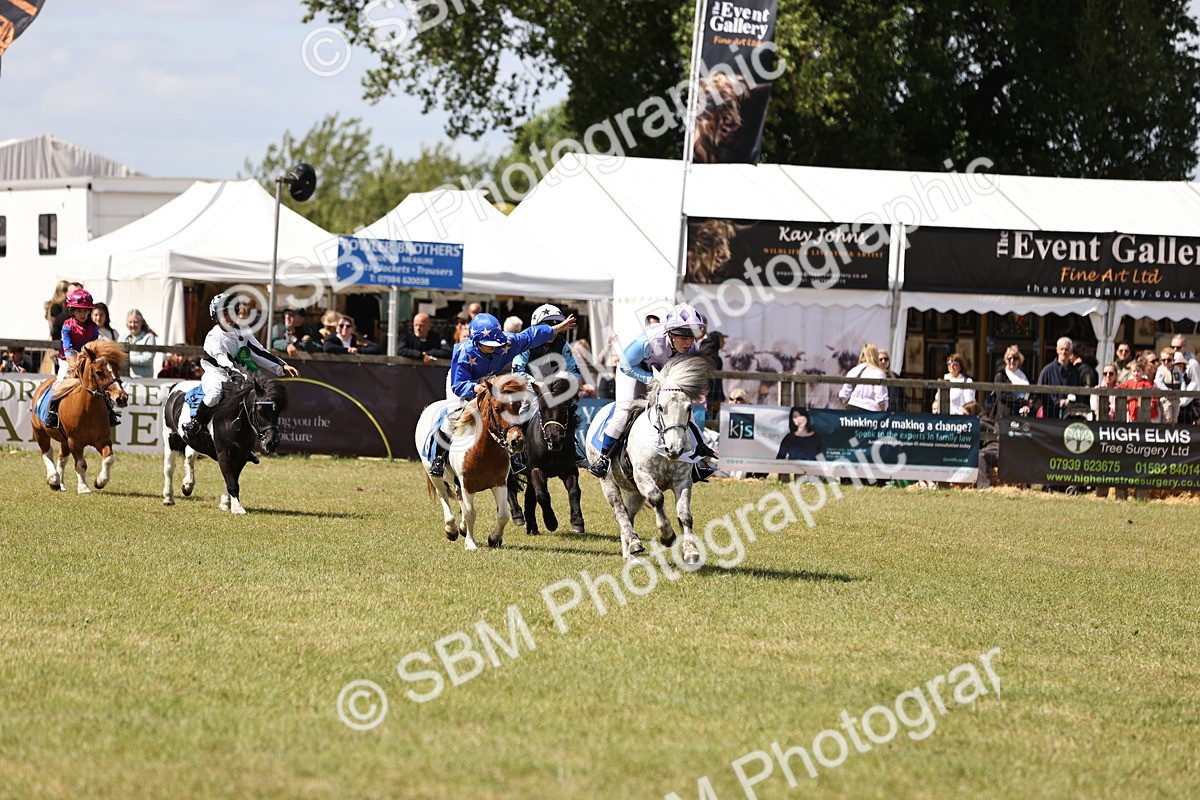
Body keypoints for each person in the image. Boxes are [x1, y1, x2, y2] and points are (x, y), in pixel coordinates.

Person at [427, 311, 577, 477]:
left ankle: (513, 458)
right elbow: (458, 384)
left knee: (505, 413)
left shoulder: (506, 341)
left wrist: (554, 329)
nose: (494, 346)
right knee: (454, 416)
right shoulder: (463, 352)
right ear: (476, 341)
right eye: (488, 343)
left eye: (496, 341)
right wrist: (475, 388)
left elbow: (530, 336)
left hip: (488, 379)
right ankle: (439, 459)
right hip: (463, 381)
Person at [588, 302, 716, 480]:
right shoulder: (649, 341)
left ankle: (697, 459)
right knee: (624, 410)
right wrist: (651, 379)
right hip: (633, 372)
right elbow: (625, 365)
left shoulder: (691, 349)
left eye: (692, 336)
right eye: (684, 337)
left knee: (684, 410)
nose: (689, 342)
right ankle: (603, 459)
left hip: (663, 379)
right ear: (670, 334)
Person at [183, 294, 300, 440]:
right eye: (225, 313)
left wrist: (281, 366)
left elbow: (259, 352)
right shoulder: (214, 336)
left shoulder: (243, 331)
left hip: (239, 374)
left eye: (233, 311)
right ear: (216, 315)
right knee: (214, 394)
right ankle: (195, 423)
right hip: (217, 373)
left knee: (254, 399)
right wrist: (237, 375)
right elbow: (223, 361)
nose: (230, 316)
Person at [512, 304, 591, 463]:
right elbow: (517, 370)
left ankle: (571, 448)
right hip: (529, 388)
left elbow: (574, 371)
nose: (554, 328)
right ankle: (517, 453)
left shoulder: (562, 344)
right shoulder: (527, 342)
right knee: (526, 409)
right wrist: (537, 384)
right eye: (549, 324)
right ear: (537, 327)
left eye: (556, 324)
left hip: (554, 390)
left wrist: (564, 380)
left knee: (567, 410)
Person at [45, 288, 116, 428]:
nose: (83, 314)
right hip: (67, 360)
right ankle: (51, 413)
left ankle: (109, 413)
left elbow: (93, 346)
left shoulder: (93, 327)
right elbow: (68, 348)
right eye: (79, 311)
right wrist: (75, 364)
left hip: (87, 360)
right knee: (60, 382)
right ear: (72, 311)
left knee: (102, 383)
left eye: (85, 310)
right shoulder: (66, 326)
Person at [1036, 337, 1080, 419]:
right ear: (1057, 350)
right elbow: (1039, 393)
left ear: (1071, 351)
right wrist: (1057, 402)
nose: (1064, 352)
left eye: (1067, 349)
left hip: (1071, 416)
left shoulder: (1075, 371)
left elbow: (1080, 391)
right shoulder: (1047, 371)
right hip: (1051, 416)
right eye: (1061, 349)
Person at [839, 343, 889, 412]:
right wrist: (883, 413)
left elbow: (844, 395)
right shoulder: (878, 373)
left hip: (852, 409)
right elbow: (881, 399)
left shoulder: (853, 371)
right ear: (875, 355)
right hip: (870, 411)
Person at [963, 401, 999, 489]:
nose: (962, 417)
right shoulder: (980, 422)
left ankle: (983, 486)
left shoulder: (979, 423)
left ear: (972, 413)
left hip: (997, 450)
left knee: (980, 455)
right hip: (990, 448)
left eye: (964, 414)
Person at [1117, 352, 1159, 423]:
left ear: (1143, 372)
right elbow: (1118, 388)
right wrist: (1129, 396)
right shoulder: (1128, 382)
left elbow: (1153, 394)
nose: (1136, 373)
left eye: (1138, 371)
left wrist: (1152, 402)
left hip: (1144, 411)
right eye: (1134, 371)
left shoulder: (1146, 383)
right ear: (1131, 372)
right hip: (1132, 410)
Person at [991, 345, 1031, 417]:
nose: (1012, 361)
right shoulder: (1001, 375)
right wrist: (1024, 402)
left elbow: (1033, 391)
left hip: (1024, 415)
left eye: (1015, 358)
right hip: (1005, 415)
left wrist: (1029, 402)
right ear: (1006, 360)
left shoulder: (1025, 374)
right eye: (1009, 358)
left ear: (1019, 360)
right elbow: (1002, 396)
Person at [698, 330, 726, 422]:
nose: (724, 343)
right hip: (709, 399)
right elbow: (717, 383)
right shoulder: (715, 359)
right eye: (722, 340)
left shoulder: (700, 355)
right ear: (716, 342)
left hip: (696, 397)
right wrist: (719, 398)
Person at [1172, 334, 1200, 424]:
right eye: (1172, 347)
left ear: (1185, 347)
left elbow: (1197, 386)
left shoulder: (1192, 364)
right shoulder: (1169, 361)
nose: (1175, 349)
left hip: (1188, 406)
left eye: (1178, 347)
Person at [123, 309, 158, 378]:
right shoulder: (124, 336)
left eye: (135, 322)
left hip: (143, 380)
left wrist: (126, 359)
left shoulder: (149, 337)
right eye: (130, 322)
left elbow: (148, 359)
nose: (132, 325)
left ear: (141, 323)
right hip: (126, 380)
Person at [1155, 346, 1178, 424]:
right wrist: (1167, 390)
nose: (1166, 362)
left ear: (1173, 360)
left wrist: (1183, 391)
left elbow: (1182, 381)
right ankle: (1165, 433)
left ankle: (1173, 432)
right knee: (1167, 418)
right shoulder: (1160, 370)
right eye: (1163, 360)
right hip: (1165, 398)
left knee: (1175, 419)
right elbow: (1159, 382)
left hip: (1176, 397)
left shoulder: (1177, 369)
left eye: (1169, 360)